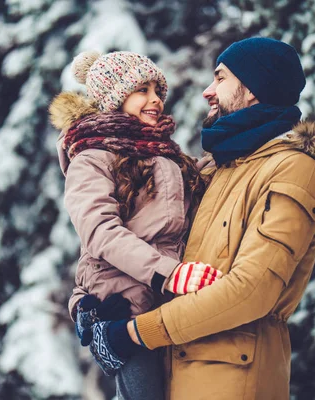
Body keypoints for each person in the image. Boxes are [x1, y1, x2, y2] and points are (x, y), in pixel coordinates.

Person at [87, 37, 315, 399]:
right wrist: (87, 300)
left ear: (252, 90)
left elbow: (252, 291)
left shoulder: (296, 170)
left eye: (220, 78)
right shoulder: (218, 167)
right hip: (173, 375)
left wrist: (137, 332)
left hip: (230, 383)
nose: (207, 91)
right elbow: (139, 236)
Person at [49, 51, 223, 399]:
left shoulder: (164, 154)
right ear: (114, 97)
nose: (156, 99)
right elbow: (99, 231)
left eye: (159, 90)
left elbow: (195, 192)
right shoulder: (92, 157)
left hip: (165, 302)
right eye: (142, 90)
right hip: (121, 306)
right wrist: (169, 273)